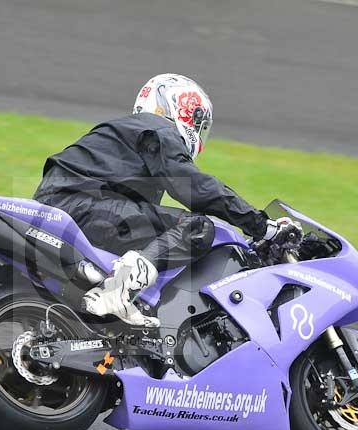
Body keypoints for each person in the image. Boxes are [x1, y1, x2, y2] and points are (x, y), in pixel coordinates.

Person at [34, 73, 296, 327]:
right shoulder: (157, 129)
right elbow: (194, 187)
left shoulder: (129, 135)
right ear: (181, 109)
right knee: (197, 227)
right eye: (199, 124)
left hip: (68, 205)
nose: (199, 133)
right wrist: (261, 225)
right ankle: (116, 291)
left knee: (159, 236)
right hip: (82, 205)